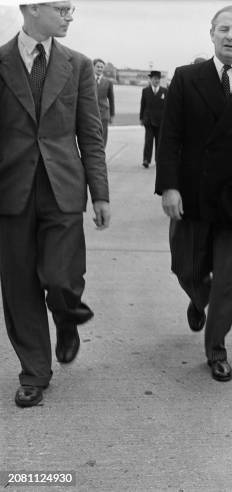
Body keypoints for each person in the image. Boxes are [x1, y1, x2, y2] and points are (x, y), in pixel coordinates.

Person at [155, 5, 232, 382]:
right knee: (185, 268)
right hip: (192, 193)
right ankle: (198, 298)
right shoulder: (185, 77)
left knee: (226, 278)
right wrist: (169, 187)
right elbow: (170, 136)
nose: (230, 36)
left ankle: (217, 348)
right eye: (223, 29)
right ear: (211, 33)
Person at [0, 0, 111, 407]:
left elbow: (91, 134)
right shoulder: (1, 61)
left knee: (61, 276)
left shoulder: (78, 65)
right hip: (11, 191)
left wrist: (100, 193)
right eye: (61, 7)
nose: (69, 16)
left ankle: (66, 316)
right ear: (30, 9)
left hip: (63, 187)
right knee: (18, 285)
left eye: (71, 9)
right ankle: (34, 372)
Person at [139, 70, 167, 168]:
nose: (156, 80)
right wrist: (141, 118)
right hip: (149, 120)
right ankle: (146, 160)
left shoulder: (165, 91)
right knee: (148, 141)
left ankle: (158, 159)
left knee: (159, 142)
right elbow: (142, 105)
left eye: (158, 79)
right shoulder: (145, 91)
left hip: (161, 121)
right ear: (151, 79)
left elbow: (167, 107)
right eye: (154, 79)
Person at [93, 58, 115, 147]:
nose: (100, 69)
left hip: (104, 114)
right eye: (98, 66)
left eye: (101, 67)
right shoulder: (88, 80)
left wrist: (112, 115)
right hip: (91, 113)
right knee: (91, 136)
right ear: (93, 67)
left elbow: (111, 99)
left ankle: (101, 156)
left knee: (103, 136)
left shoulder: (108, 82)